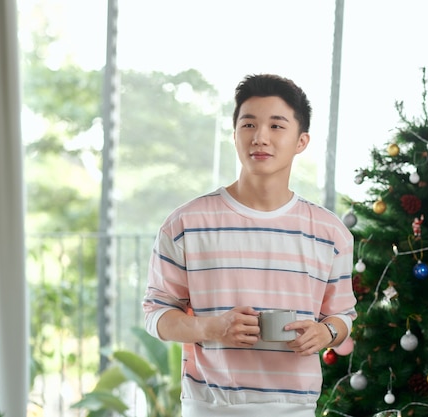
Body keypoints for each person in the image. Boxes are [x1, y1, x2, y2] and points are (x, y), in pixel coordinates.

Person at [143, 73, 357, 417]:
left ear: (301, 141)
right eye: (249, 125)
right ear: (235, 135)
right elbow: (155, 313)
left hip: (297, 408)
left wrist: (325, 332)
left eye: (276, 126)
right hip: (208, 407)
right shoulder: (186, 223)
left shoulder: (330, 233)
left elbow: (343, 316)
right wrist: (211, 328)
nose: (260, 137)